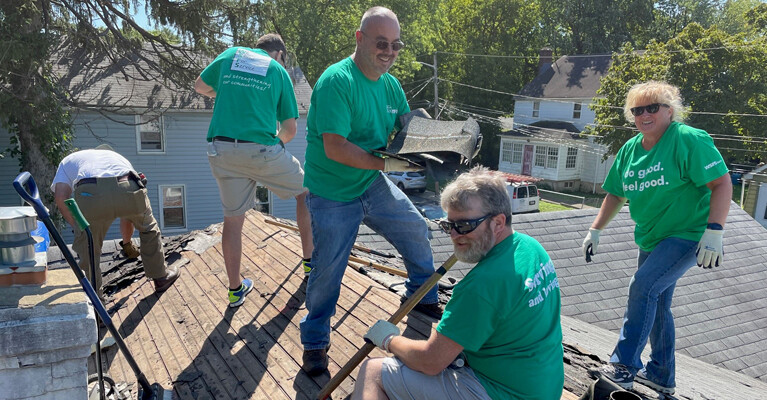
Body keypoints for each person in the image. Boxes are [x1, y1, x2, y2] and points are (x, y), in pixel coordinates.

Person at [299, 6, 442, 376]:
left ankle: (421, 296)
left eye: (397, 45)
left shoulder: (390, 84)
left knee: (416, 228)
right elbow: (335, 147)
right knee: (328, 270)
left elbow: (409, 129)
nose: (390, 52)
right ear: (360, 39)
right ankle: (315, 341)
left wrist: (442, 143)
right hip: (331, 192)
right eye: (382, 43)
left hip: (370, 184)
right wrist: (389, 165)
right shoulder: (338, 81)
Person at [353, 167, 564, 400]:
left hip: (500, 392)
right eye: (448, 225)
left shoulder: (482, 285)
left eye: (464, 226)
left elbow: (430, 362)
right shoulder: (532, 249)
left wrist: (389, 339)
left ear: (498, 222)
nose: (454, 235)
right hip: (542, 386)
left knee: (373, 371)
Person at [582, 81, 731, 395]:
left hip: (689, 234)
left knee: (643, 286)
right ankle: (661, 375)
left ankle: (624, 367)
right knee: (658, 303)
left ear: (669, 110)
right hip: (651, 237)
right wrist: (595, 229)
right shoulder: (630, 150)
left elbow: (721, 183)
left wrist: (715, 231)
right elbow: (615, 194)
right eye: (638, 110)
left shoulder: (688, 140)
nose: (644, 115)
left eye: (653, 108)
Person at [194, 33, 313, 308]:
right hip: (261, 150)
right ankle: (310, 265)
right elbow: (290, 130)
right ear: (280, 54)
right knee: (307, 191)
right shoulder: (278, 72)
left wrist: (222, 92)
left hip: (221, 150)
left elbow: (200, 86)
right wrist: (273, 143)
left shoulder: (230, 56)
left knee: (233, 220)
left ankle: (235, 291)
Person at [51, 144, 180, 297]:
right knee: (148, 228)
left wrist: (79, 227)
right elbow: (127, 215)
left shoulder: (69, 161)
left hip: (91, 194)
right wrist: (127, 244)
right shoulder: (118, 159)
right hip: (128, 185)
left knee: (89, 247)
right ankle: (161, 277)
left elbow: (60, 197)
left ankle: (96, 305)